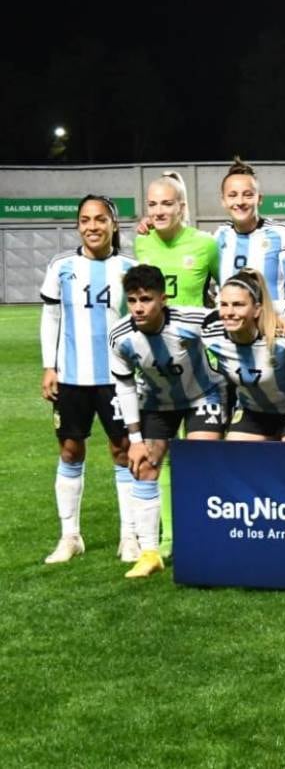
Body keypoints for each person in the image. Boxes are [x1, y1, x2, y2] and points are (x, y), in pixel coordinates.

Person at [109, 265, 228, 578]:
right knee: (145, 466)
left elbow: (233, 326)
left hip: (204, 396)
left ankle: (206, 541)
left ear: (163, 298)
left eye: (146, 299)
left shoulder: (194, 319)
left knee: (198, 462)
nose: (138, 307)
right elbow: (125, 386)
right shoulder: (120, 337)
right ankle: (149, 553)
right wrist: (134, 440)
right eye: (132, 300)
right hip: (158, 403)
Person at [39, 195, 138, 565]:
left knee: (123, 451)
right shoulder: (62, 266)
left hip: (118, 379)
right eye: (85, 220)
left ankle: (129, 536)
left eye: (100, 219)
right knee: (69, 450)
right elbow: (50, 318)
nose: (92, 226)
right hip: (72, 378)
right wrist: (50, 366)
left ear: (114, 223)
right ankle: (70, 537)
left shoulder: (130, 267)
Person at [200, 270, 285, 442]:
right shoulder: (211, 333)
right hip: (252, 410)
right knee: (236, 462)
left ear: (257, 310)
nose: (229, 312)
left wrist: (277, 314)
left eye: (238, 304)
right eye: (224, 304)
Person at [212, 158, 285, 297]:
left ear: (259, 199)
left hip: (270, 318)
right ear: (223, 200)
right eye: (232, 195)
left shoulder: (283, 233)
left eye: (248, 195)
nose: (240, 202)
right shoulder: (219, 236)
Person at [134, 171, 220, 305]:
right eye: (152, 204)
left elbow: (229, 288)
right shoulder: (141, 242)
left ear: (181, 207)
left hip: (193, 325)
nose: (158, 212)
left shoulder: (206, 243)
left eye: (167, 204)